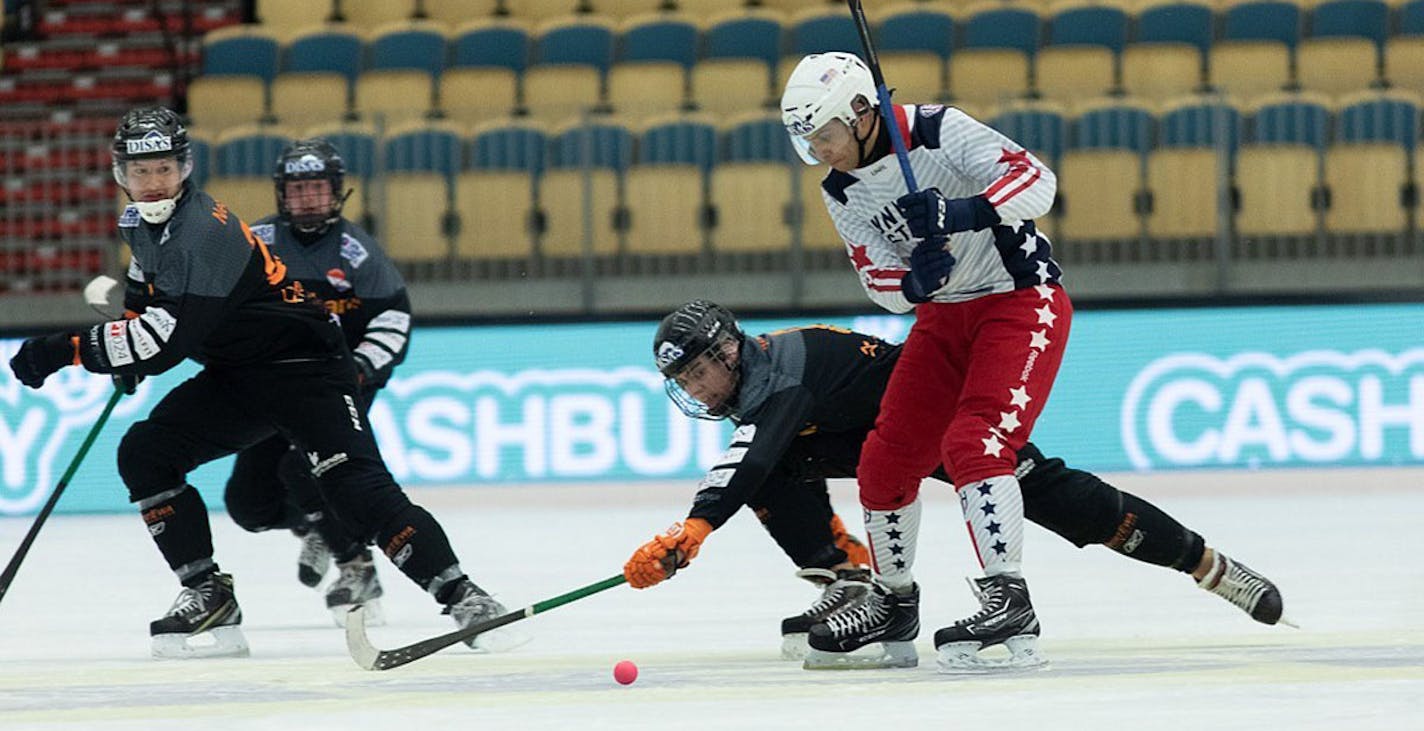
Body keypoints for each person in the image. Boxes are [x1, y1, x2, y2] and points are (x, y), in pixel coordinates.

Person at [7, 107, 512, 658]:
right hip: (240, 374)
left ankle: (465, 598)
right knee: (146, 453)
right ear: (120, 175)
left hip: (307, 373)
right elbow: (143, 304)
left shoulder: (204, 231)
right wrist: (123, 347)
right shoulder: (142, 225)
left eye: (164, 169)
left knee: (355, 489)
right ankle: (208, 595)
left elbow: (165, 344)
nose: (153, 183)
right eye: (140, 171)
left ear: (186, 168)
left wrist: (63, 350)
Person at [623, 301, 1290, 668]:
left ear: (725, 354)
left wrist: (695, 525)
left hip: (938, 416)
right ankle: (852, 578)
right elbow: (757, 456)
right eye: (681, 385)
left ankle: (1208, 563)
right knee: (774, 472)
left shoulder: (783, 371)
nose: (693, 390)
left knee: (1061, 500)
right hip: (879, 436)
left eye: (693, 376)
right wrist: (701, 520)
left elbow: (751, 451)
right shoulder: (755, 385)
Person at [775, 50, 1071, 672]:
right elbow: (877, 279)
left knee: (976, 442)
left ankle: (1009, 597)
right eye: (807, 143)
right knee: (885, 456)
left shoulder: (938, 129)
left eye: (824, 136)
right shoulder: (839, 188)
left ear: (861, 113)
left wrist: (962, 213)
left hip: (1017, 300)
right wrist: (914, 282)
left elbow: (1037, 182)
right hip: (942, 317)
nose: (820, 152)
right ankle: (893, 600)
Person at [220, 138, 410, 627]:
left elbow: (392, 320)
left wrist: (359, 370)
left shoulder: (358, 252)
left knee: (305, 468)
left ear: (337, 193)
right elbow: (216, 305)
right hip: (270, 384)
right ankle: (318, 521)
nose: (307, 199)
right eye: (298, 189)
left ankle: (358, 568)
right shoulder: (254, 241)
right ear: (282, 194)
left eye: (318, 189)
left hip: (335, 385)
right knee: (248, 504)